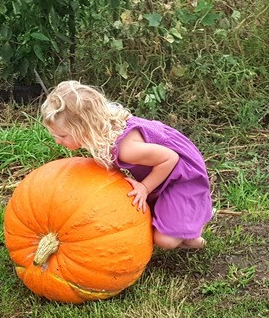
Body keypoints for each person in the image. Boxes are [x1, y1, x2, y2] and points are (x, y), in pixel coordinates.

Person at [41, 80, 212, 250]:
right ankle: (182, 225)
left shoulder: (126, 149)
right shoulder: (102, 135)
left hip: (182, 177)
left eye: (62, 136)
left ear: (84, 129)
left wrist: (145, 187)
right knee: (157, 219)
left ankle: (193, 229)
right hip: (161, 171)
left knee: (164, 240)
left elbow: (170, 159)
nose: (57, 141)